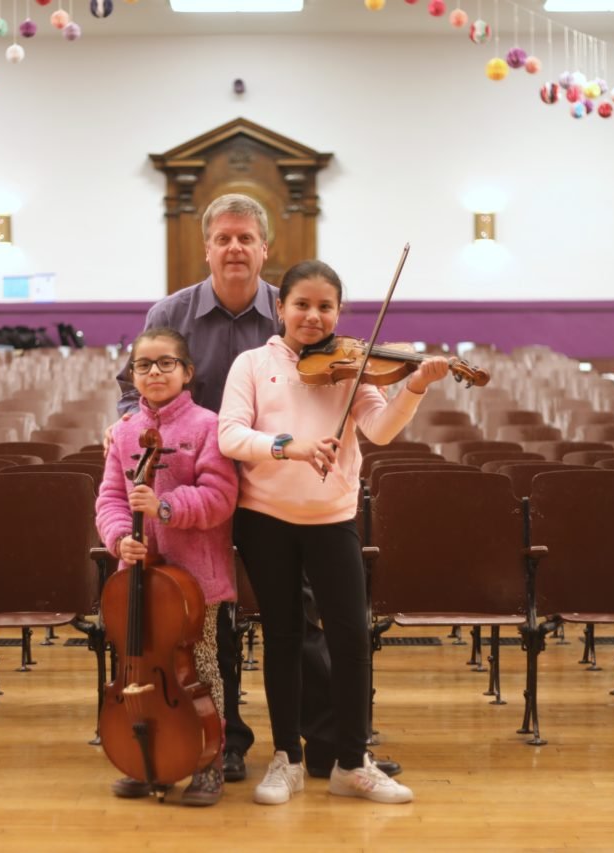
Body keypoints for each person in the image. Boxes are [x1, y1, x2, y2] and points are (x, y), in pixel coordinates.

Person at [114, 194, 401, 784]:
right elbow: (133, 392)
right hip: (197, 486)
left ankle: (330, 745)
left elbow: (347, 390)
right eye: (223, 238)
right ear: (207, 247)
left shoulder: (293, 307)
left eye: (246, 238)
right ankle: (222, 742)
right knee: (205, 618)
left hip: (275, 487)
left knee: (296, 620)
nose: (235, 248)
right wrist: (136, 440)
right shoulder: (170, 312)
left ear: (265, 248)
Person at [218, 259, 456, 805]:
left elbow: (379, 430)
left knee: (350, 638)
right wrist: (289, 446)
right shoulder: (252, 364)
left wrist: (415, 386)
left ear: (339, 312)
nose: (313, 315)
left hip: (332, 519)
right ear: (280, 308)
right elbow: (230, 434)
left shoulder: (352, 365)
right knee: (282, 637)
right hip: (265, 519)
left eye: (326, 306)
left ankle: (352, 763)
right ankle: (287, 759)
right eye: (302, 304)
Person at [96, 327, 238, 807]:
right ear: (132, 374)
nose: (153, 372)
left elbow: (220, 497)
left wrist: (164, 507)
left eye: (165, 364)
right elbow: (111, 498)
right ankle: (145, 756)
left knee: (199, 673)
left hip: (195, 581)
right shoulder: (124, 432)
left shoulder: (206, 426)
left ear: (187, 372)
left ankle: (208, 762)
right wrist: (120, 538)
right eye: (143, 365)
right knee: (138, 667)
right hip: (136, 580)